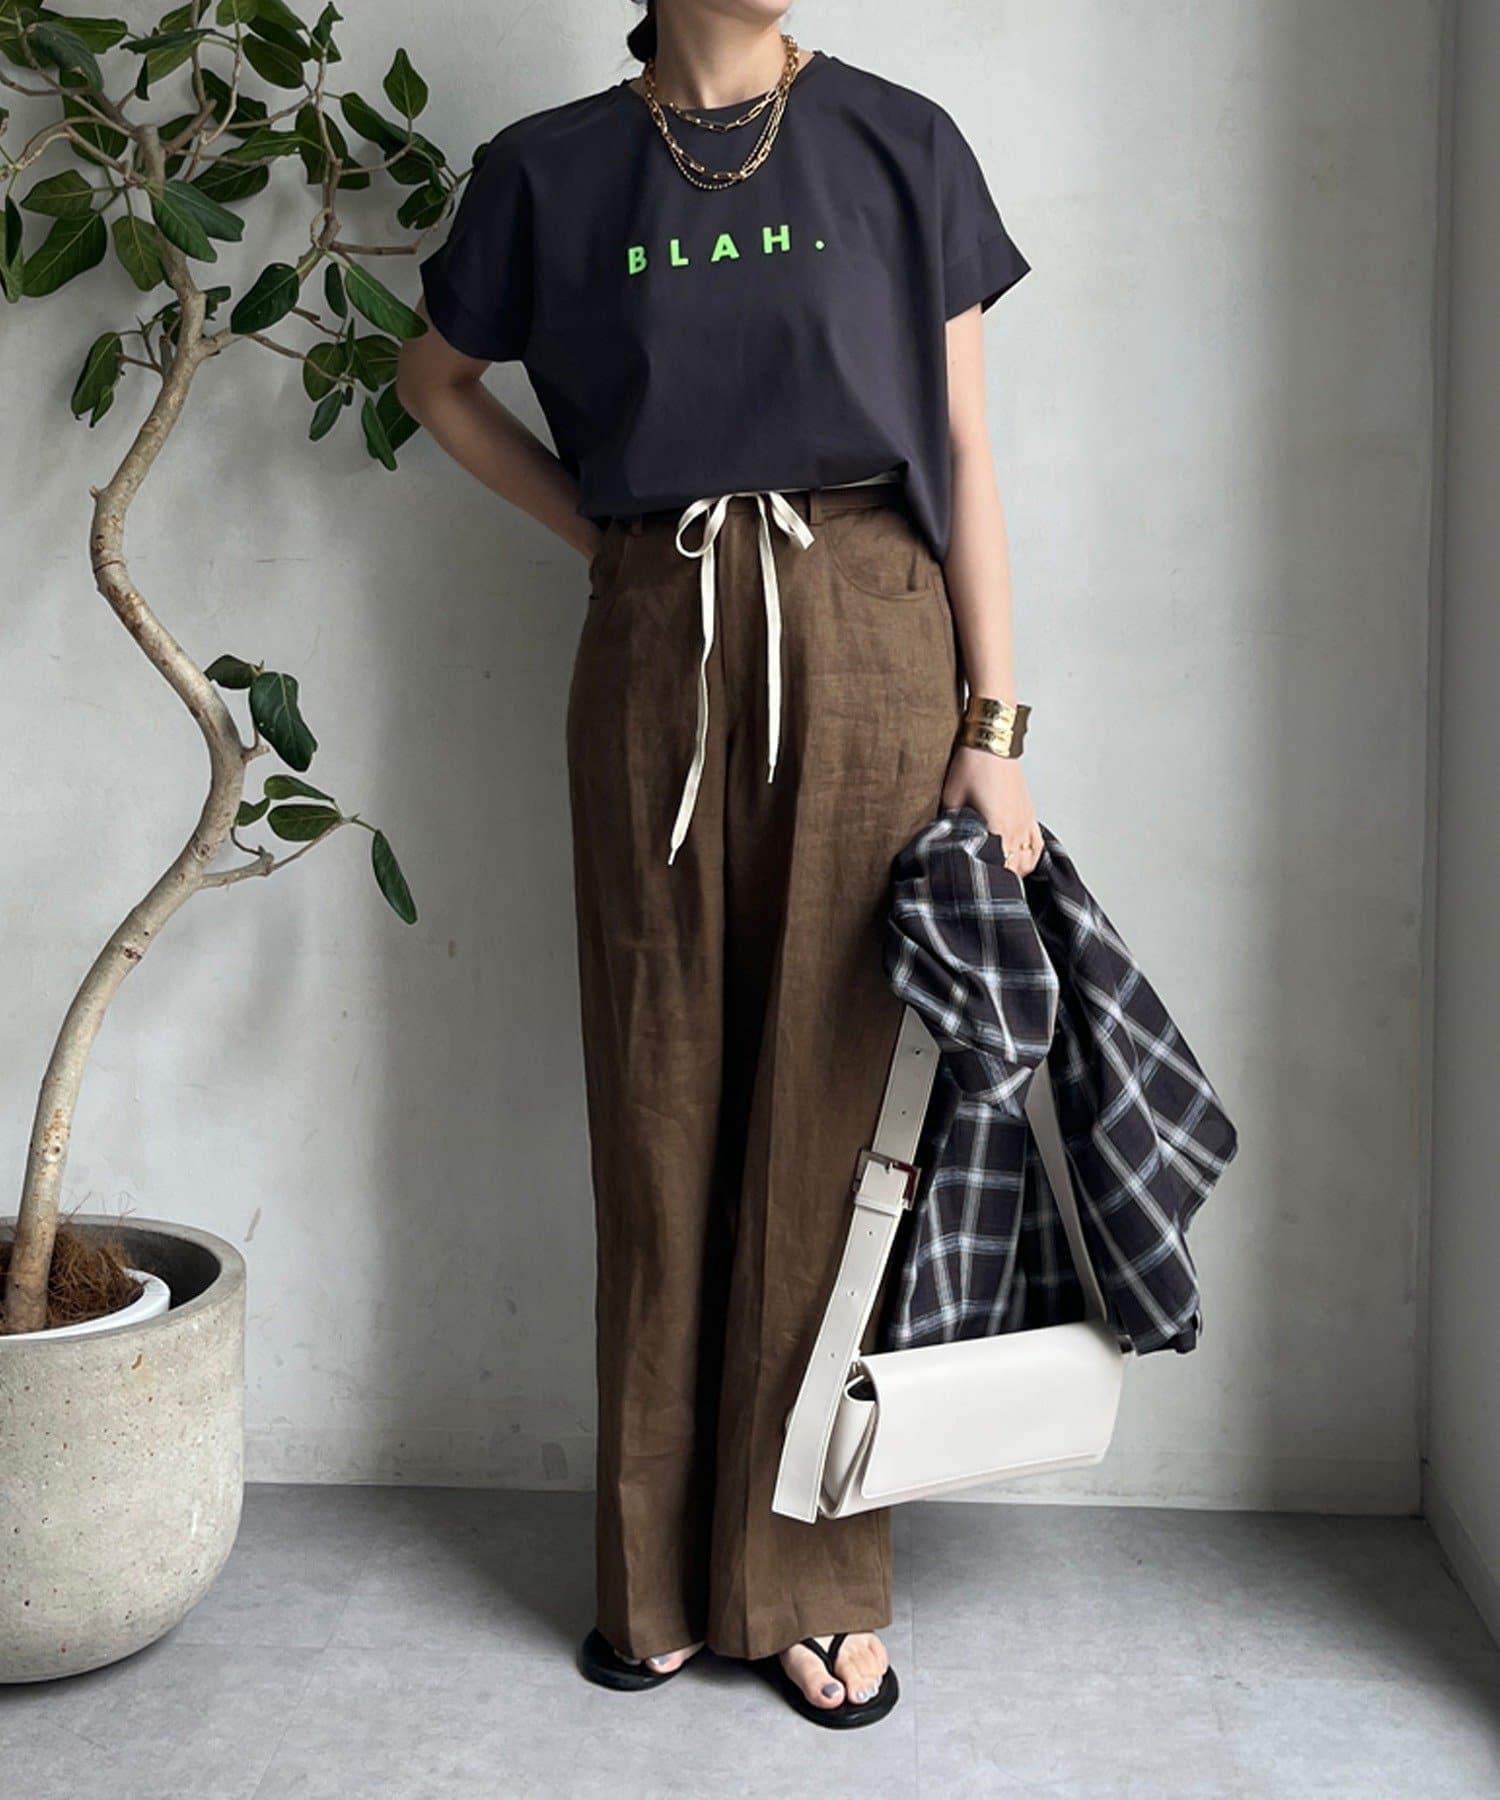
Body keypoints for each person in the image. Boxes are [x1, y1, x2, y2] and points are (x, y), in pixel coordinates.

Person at [396, 0, 1041, 1730]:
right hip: (655, 640)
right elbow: (432, 382)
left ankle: (808, 1576)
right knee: (658, 1090)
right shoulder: (546, 171)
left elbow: (964, 445)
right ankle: (656, 1574)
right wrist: (608, 539)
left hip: (873, 625)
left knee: (834, 1114)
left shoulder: (900, 143)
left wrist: (995, 725)